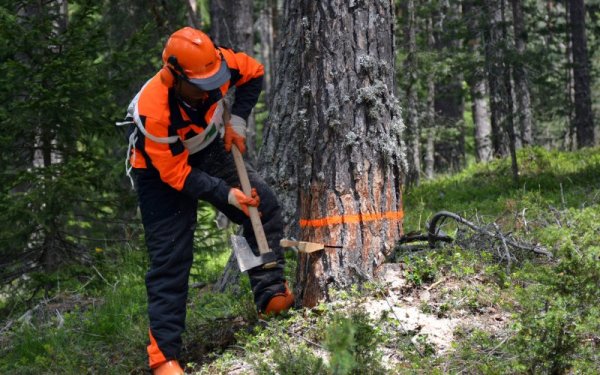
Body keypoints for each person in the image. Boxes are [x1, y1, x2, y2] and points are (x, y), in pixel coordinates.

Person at [122, 27, 294, 375]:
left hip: (207, 148)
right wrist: (226, 193)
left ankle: (270, 294)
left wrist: (239, 124)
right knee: (171, 258)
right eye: (201, 86)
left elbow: (254, 73)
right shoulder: (154, 110)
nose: (211, 90)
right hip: (160, 173)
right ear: (175, 77)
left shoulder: (219, 66)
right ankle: (163, 357)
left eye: (214, 81)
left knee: (261, 207)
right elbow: (177, 176)